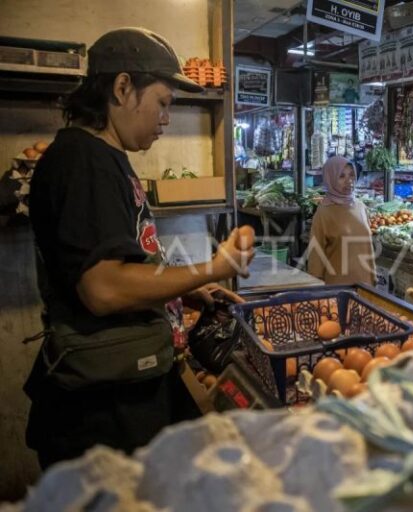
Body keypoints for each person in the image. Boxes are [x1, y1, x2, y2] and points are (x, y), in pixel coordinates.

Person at [25, 27, 254, 469]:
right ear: (122, 87)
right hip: (100, 412)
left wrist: (183, 291)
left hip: (120, 393)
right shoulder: (82, 160)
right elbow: (104, 287)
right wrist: (213, 268)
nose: (166, 119)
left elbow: (111, 266)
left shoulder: (102, 158)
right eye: (163, 103)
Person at [307, 156, 376, 286]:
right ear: (330, 178)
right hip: (338, 288)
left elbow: (368, 247)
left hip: (365, 286)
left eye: (351, 175)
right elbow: (315, 257)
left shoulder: (361, 207)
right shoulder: (324, 213)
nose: (349, 181)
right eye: (341, 176)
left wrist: (373, 277)